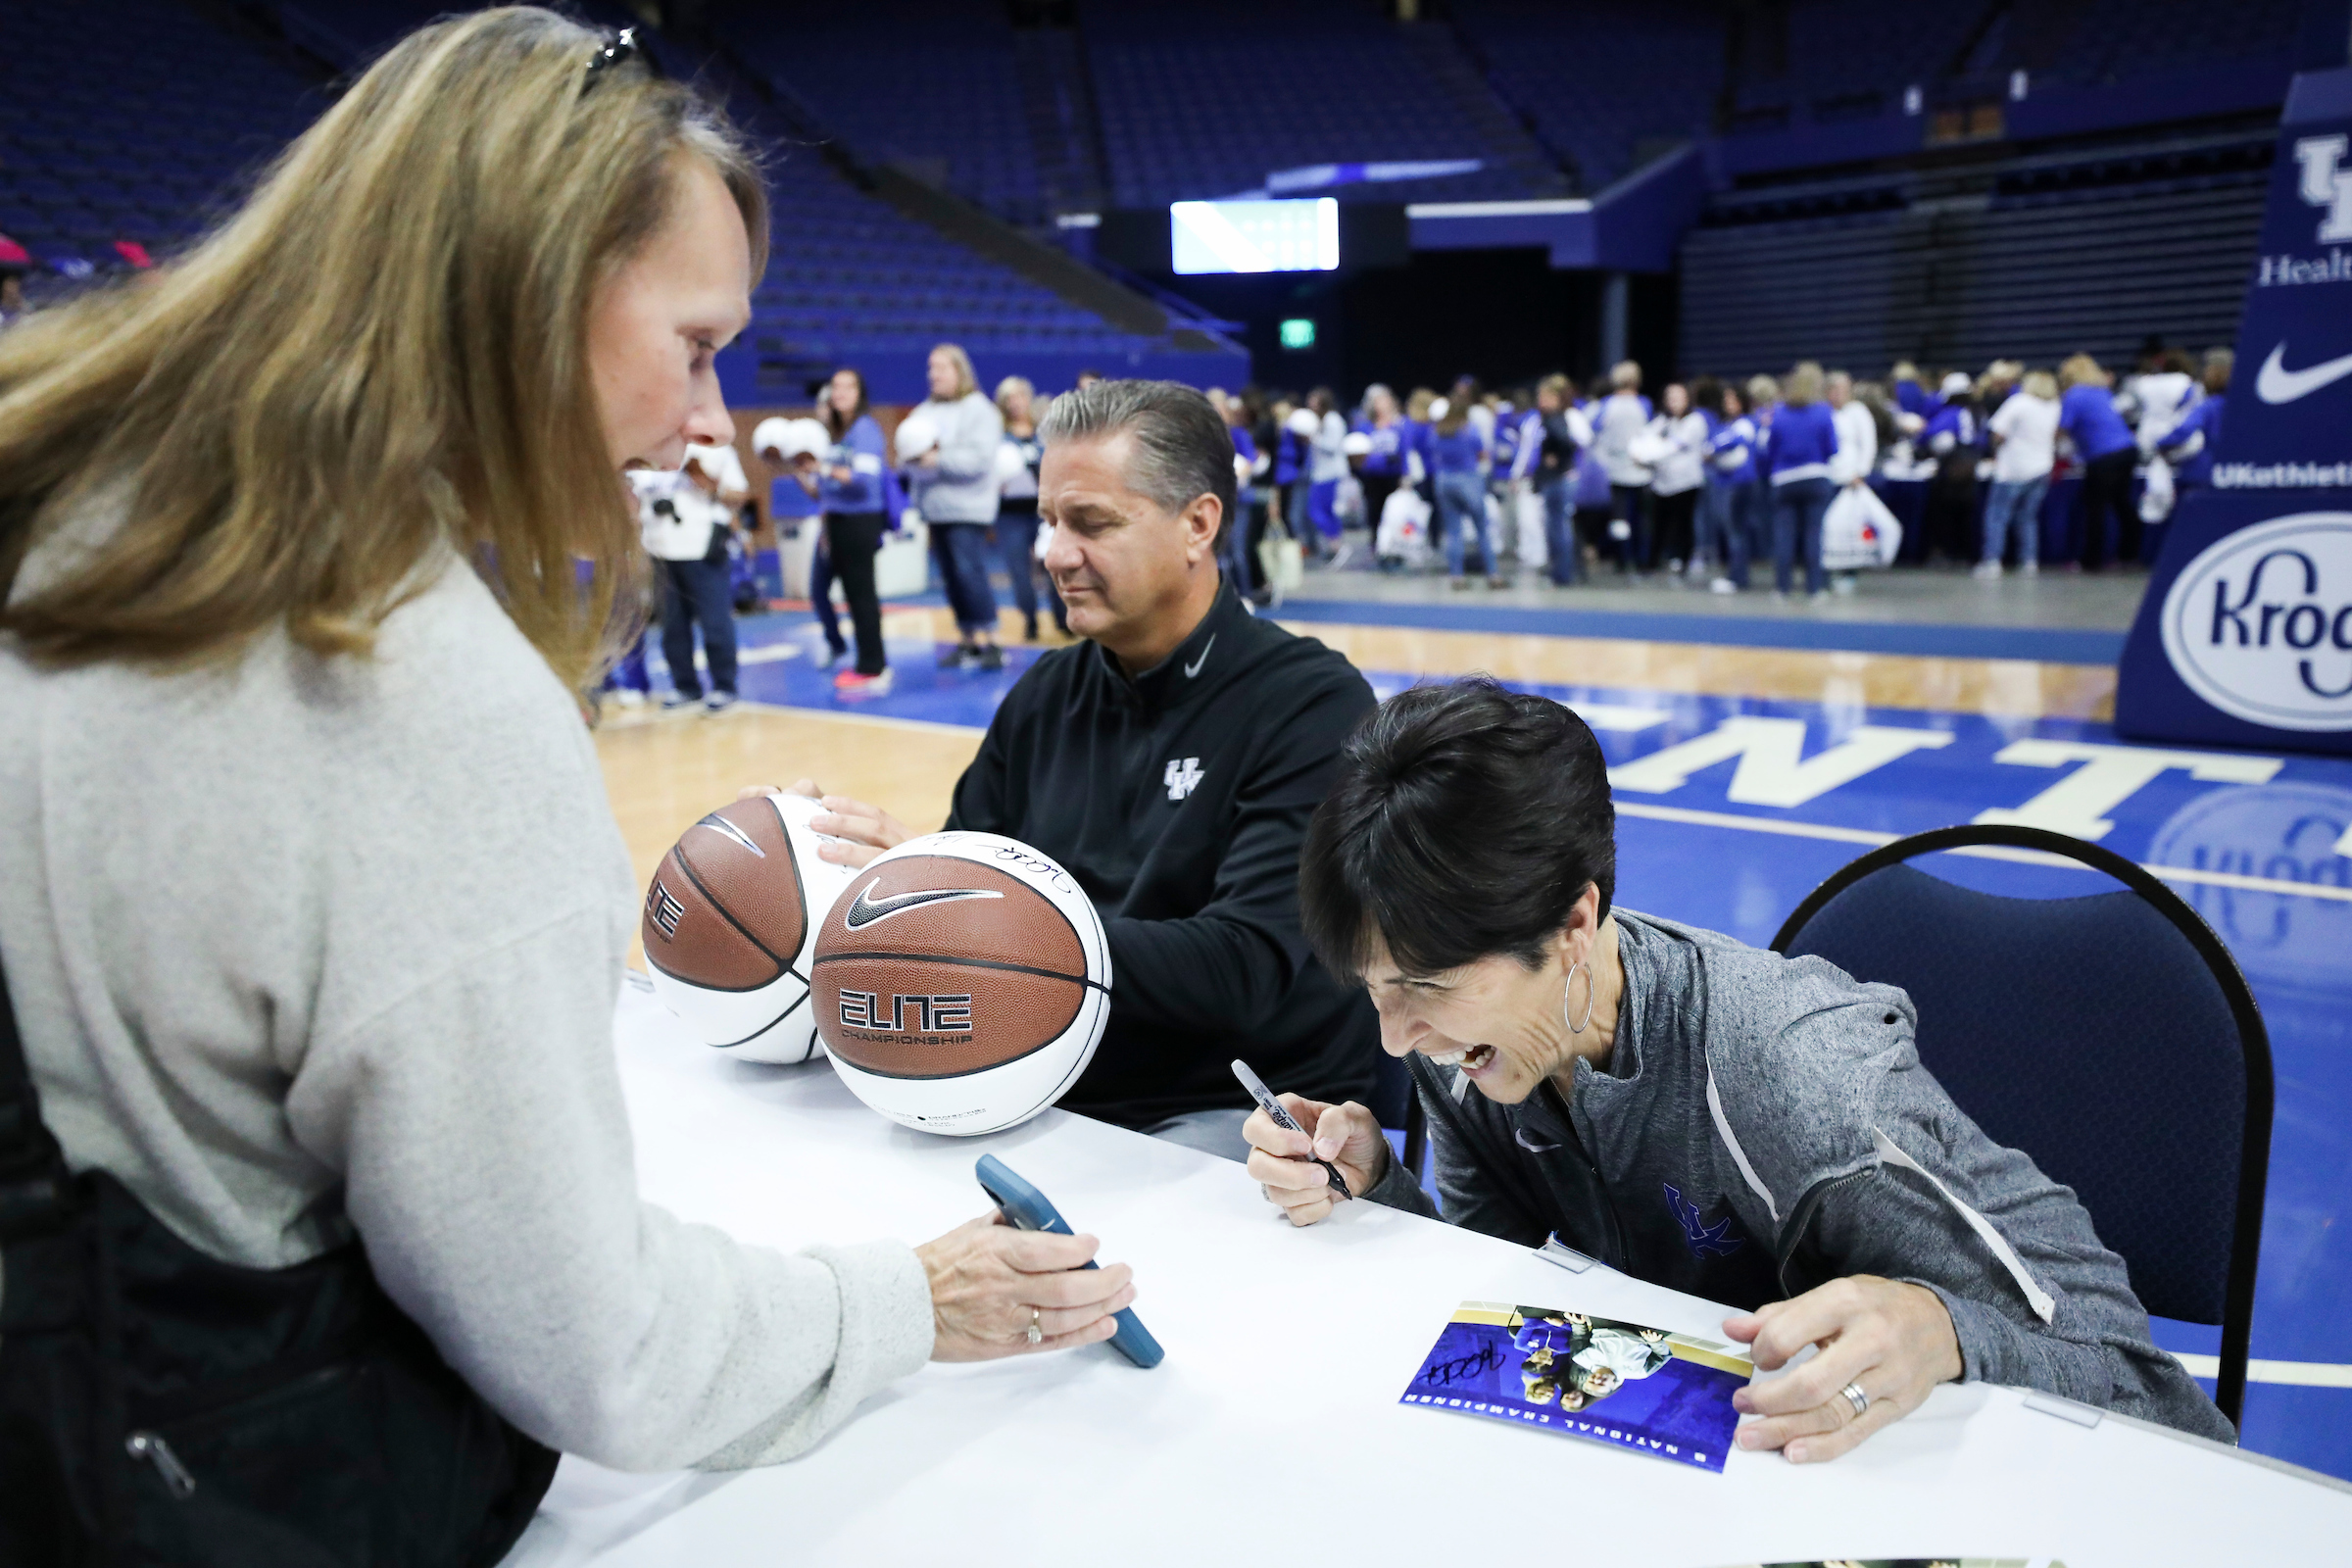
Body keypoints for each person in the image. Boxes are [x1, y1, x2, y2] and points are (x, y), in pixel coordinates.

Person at [0, 14, 1136, 1558]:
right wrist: (905, 1301)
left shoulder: (75, 512)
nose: (710, 423)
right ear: (535, 291)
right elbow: (598, 1346)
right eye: (698, 344)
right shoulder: (411, 692)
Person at [1250, 679, 2235, 1463]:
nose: (1391, 1036)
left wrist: (1944, 1328)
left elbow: (2151, 1387)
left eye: (1422, 983)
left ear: (1575, 925)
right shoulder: (1468, 1045)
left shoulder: (1796, 1079)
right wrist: (1378, 1192)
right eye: (1373, 986)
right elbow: (1505, 1308)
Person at [770, 380, 1382, 1160]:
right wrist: (827, 877)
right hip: (1035, 1081)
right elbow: (963, 912)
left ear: (1198, 524)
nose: (1052, 553)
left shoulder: (1312, 705)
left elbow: (1245, 969)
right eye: (1048, 520)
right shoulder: (1044, 694)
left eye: (1091, 523)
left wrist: (966, 904)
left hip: (1227, 1112)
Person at [634, 437, 749, 711]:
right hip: (659, 551)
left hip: (702, 551)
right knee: (672, 628)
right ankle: (685, 686)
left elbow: (738, 496)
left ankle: (724, 686)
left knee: (715, 622)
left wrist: (700, 474)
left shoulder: (713, 450)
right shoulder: (645, 451)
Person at [910, 341, 1005, 669]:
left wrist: (935, 459)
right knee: (951, 578)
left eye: (940, 368)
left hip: (969, 509)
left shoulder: (980, 409)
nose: (932, 375)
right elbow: (906, 456)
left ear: (959, 370)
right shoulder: (924, 412)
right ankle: (967, 639)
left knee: (969, 573)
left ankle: (992, 640)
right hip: (935, 509)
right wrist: (915, 461)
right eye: (930, 368)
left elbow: (978, 461)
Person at [802, 366, 892, 693]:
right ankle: (860, 657)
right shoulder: (838, 433)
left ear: (859, 394)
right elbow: (822, 489)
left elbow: (864, 479)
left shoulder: (865, 429)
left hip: (859, 521)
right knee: (840, 593)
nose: (839, 393)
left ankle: (873, 665)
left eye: (847, 387)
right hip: (836, 522)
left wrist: (823, 468)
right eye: (835, 387)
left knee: (861, 594)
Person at [1765, 361, 1840, 600]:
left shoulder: (1779, 411)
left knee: (1784, 534)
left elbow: (1771, 448)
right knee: (1813, 534)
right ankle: (1814, 588)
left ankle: (1782, 588)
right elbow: (1832, 448)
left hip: (1784, 480)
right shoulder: (1823, 411)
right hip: (1815, 478)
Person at [2058, 353, 2139, 571]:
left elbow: (2063, 428)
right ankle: (2129, 554)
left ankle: (2091, 560)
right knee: (2122, 503)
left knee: (2095, 508)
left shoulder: (2074, 395)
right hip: (2127, 450)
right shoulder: (2102, 392)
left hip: (2103, 456)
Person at [1980, 368, 2060, 579]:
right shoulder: (2054, 406)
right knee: (2027, 518)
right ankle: (2029, 561)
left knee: (1997, 515)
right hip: (2042, 467)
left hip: (2014, 468)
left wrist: (1996, 449)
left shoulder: (2019, 402)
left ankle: (1992, 561)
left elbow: (1997, 432)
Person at [994, 374, 1054, 643]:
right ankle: (1030, 620)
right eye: (1010, 398)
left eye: (1020, 396)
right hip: (1010, 513)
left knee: (1054, 565)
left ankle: (1063, 619)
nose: (1016, 403)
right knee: (1019, 571)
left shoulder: (1045, 434)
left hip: (1044, 511)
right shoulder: (998, 437)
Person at [1591, 360, 1653, 572]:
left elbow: (1591, 432)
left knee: (1620, 518)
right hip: (1640, 469)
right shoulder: (1644, 404)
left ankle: (1623, 558)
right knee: (1640, 519)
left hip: (1615, 469)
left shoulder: (1607, 404)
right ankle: (1641, 559)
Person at [1429, 396, 1497, 589]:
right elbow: (1482, 452)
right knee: (1482, 530)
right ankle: (1493, 574)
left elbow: (1432, 453)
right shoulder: (1469, 429)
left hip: (1444, 481)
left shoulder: (1437, 431)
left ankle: (1456, 576)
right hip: (1468, 480)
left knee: (1453, 532)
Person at [1643, 381, 1707, 577]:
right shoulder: (1662, 421)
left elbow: (1673, 446)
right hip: (1662, 483)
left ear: (1687, 399)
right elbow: (1644, 438)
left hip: (1686, 482)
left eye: (1677, 398)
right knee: (1659, 525)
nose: (1673, 403)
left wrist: (1651, 451)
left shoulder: (1695, 420)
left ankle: (1685, 562)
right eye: (1669, 398)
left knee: (1684, 524)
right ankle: (1653, 563)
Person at [1704, 381, 1764, 595]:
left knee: (1736, 531)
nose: (1728, 403)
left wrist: (1711, 449)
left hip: (1740, 483)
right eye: (1726, 400)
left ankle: (1738, 578)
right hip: (1724, 482)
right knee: (1731, 531)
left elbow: (1728, 442)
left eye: (1733, 399)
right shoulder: (1723, 424)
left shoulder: (1746, 423)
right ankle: (1736, 574)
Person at [1531, 373, 1589, 587]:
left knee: (1562, 525)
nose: (1541, 401)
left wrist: (1562, 459)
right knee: (1555, 526)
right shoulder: (1543, 418)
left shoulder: (1567, 417)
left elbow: (1580, 442)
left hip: (1566, 477)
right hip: (1553, 478)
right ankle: (1560, 570)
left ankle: (1564, 572)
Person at [2156, 350, 2230, 512]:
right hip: (2236, 473)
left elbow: (2183, 431)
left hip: (2203, 474)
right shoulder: (2241, 406)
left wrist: (2158, 444)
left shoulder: (2210, 405)